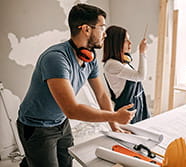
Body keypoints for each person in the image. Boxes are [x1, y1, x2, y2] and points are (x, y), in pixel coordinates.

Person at [17, 4, 135, 167]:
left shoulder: (90, 58)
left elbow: (101, 95)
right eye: (102, 27)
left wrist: (114, 127)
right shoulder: (56, 59)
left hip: (61, 123)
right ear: (86, 29)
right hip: (37, 127)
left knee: (66, 162)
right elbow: (72, 110)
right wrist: (114, 116)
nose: (105, 33)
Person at [102, 25, 150, 124]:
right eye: (126, 40)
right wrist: (142, 53)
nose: (130, 43)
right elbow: (140, 76)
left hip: (138, 105)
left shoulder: (122, 62)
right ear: (116, 43)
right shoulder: (112, 65)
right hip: (126, 110)